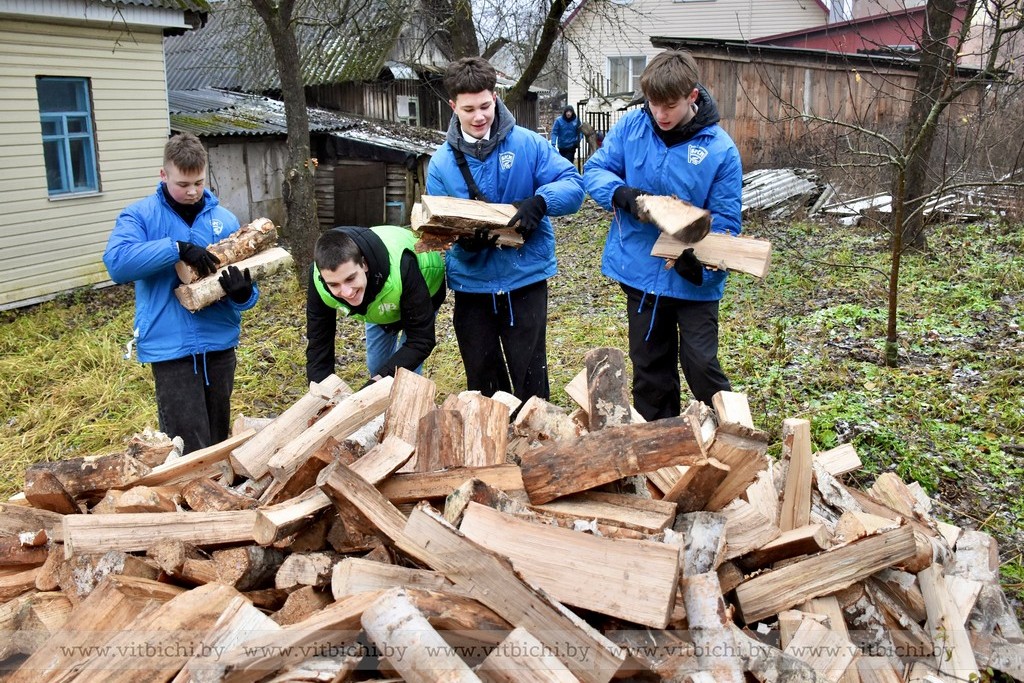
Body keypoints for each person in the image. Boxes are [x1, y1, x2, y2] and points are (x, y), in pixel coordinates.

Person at [583, 49, 742, 420]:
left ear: (692, 96)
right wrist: (621, 194)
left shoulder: (720, 151)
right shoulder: (630, 128)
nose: (660, 114)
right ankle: (661, 451)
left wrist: (700, 263)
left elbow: (727, 224)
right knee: (650, 369)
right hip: (641, 272)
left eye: (669, 105)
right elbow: (595, 171)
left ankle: (730, 437)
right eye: (653, 104)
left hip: (692, 281)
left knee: (701, 365)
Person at [427, 56, 585, 402]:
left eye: (485, 105)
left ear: (495, 97)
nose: (479, 116)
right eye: (468, 110)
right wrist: (463, 243)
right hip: (473, 284)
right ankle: (494, 447)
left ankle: (535, 445)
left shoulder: (528, 144)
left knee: (530, 376)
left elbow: (574, 186)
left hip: (525, 278)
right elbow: (439, 224)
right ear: (453, 106)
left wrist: (541, 202)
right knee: (483, 380)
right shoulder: (440, 163)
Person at [104, 132, 258, 453]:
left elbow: (248, 285)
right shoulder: (141, 216)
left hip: (219, 346)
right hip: (170, 349)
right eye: (182, 184)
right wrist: (175, 248)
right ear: (164, 175)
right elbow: (117, 263)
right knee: (186, 447)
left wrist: (243, 294)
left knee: (218, 442)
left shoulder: (224, 219)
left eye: (199, 183)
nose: (192, 192)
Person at [305, 225, 446, 385]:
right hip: (377, 297)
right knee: (377, 365)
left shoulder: (403, 265)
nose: (346, 292)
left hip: (422, 284)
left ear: (363, 264)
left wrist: (377, 382)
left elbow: (420, 341)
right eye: (334, 285)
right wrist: (321, 391)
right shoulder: (318, 279)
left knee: (406, 373)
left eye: (350, 279)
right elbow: (319, 341)